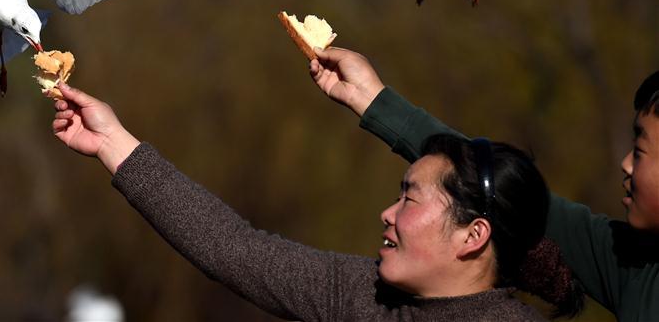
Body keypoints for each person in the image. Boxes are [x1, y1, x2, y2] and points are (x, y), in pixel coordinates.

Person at [51, 83, 581, 321]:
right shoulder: (365, 297)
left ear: (473, 235)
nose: (387, 214)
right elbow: (236, 251)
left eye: (409, 199)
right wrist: (112, 142)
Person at [310, 47, 659, 321]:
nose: (626, 164)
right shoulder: (632, 265)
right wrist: (374, 100)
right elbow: (499, 190)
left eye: (640, 151)